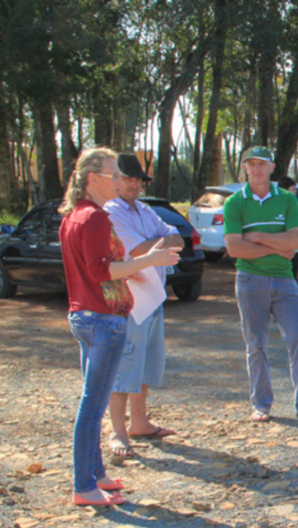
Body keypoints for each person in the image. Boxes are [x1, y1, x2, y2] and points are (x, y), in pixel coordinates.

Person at [59, 147, 180, 505]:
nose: (119, 181)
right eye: (113, 174)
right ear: (93, 178)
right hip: (102, 318)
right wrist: (150, 259)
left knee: (93, 402)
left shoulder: (75, 215)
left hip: (85, 315)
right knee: (93, 406)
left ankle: (95, 474)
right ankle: (84, 485)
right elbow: (102, 271)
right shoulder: (94, 217)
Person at [223, 145, 298, 422]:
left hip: (284, 281)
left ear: (272, 167)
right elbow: (235, 249)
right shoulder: (234, 203)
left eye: (263, 163)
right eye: (252, 164)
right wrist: (276, 245)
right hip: (249, 280)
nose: (257, 168)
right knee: (256, 344)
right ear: (245, 168)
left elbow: (295, 243)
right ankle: (261, 405)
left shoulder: (286, 199)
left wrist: (256, 236)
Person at [104, 153, 184, 459]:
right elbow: (136, 250)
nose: (134, 184)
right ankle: (117, 431)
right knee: (125, 364)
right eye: (127, 178)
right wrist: (156, 243)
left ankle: (139, 422)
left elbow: (177, 239)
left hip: (152, 294)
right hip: (127, 297)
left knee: (148, 361)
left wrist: (154, 244)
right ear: (116, 180)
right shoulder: (112, 211)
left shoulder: (145, 210)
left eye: (138, 179)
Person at [276, 176, 298, 279]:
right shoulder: (273, 206)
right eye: (293, 189)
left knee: (292, 280)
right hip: (279, 249)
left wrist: (293, 230)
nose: (296, 191)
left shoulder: (297, 205)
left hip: (295, 249)